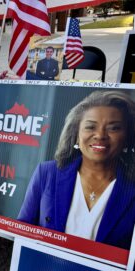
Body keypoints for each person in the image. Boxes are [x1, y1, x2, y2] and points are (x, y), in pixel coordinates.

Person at [18, 90, 135, 250]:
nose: (100, 135)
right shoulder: (47, 173)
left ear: (128, 137)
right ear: (76, 135)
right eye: (90, 127)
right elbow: (22, 231)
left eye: (113, 128)